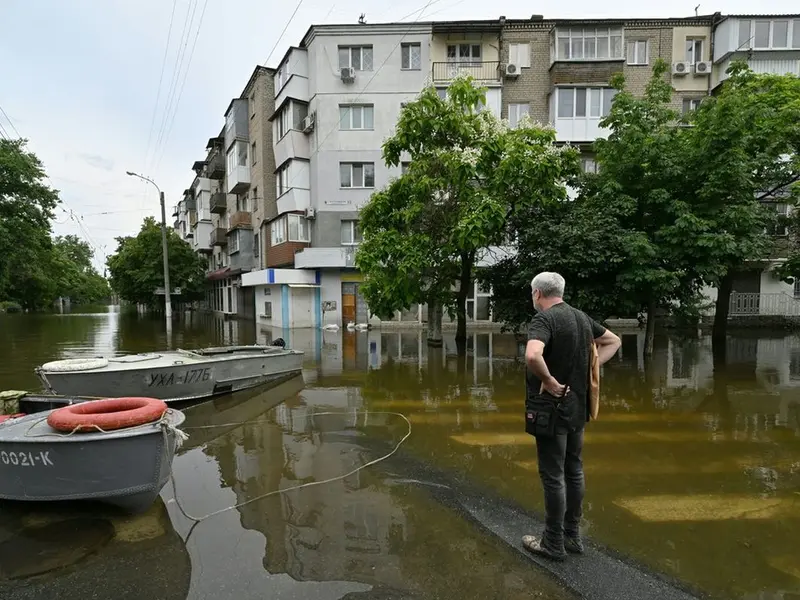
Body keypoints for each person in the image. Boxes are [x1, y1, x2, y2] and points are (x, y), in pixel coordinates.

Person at [521, 272, 621, 561]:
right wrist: (591, 368)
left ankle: (552, 542)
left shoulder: (544, 320)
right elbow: (613, 341)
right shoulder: (580, 318)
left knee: (553, 475)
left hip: (550, 408)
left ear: (538, 293)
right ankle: (572, 536)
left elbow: (532, 356)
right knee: (574, 469)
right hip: (577, 406)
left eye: (532, 294)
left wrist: (550, 381)